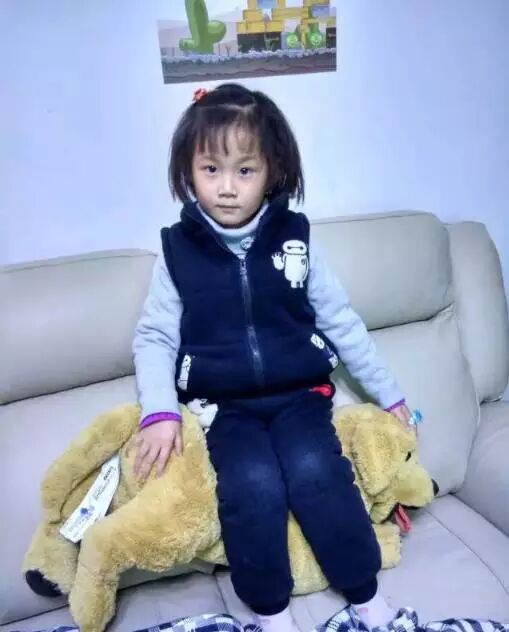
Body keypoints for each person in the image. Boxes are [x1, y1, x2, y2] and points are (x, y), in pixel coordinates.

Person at [132, 83, 413, 632]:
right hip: (223, 407)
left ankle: (364, 593)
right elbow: (155, 338)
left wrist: (389, 393)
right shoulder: (175, 250)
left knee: (316, 472)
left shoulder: (296, 238)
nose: (227, 188)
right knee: (253, 485)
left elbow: (340, 319)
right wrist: (159, 411)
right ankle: (271, 612)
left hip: (300, 396)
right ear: (188, 171)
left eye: (245, 170)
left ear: (273, 171)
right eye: (211, 170)